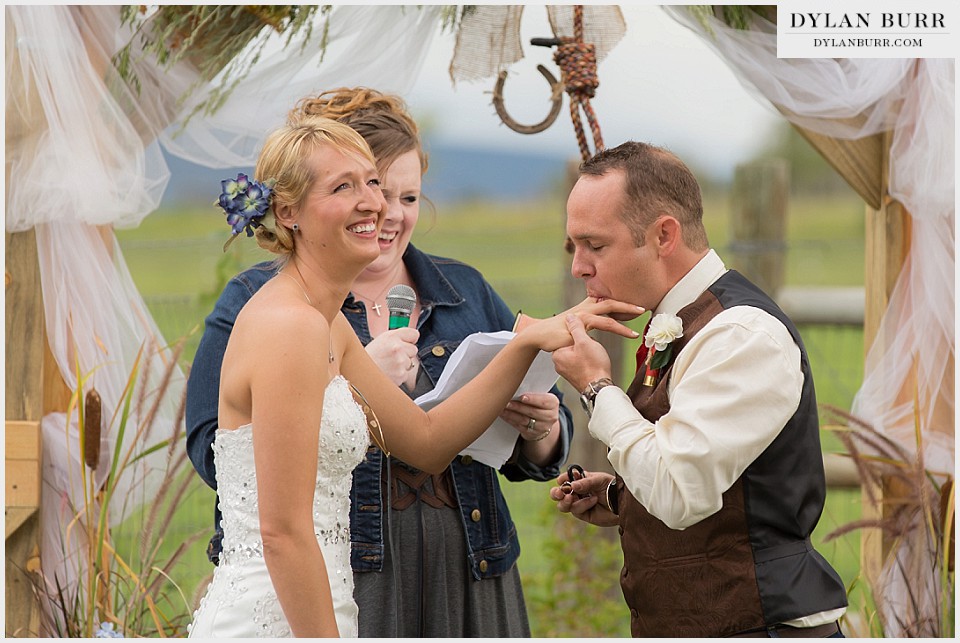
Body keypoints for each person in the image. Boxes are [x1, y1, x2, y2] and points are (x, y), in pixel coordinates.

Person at [185, 117, 640, 637]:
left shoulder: (326, 322)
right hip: (280, 612)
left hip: (330, 602)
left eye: (371, 182)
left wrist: (529, 341)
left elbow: (426, 442)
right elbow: (283, 533)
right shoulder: (289, 325)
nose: (373, 204)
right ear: (288, 213)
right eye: (343, 187)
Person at [548, 141, 848, 638]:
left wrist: (597, 387)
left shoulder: (740, 334)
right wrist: (624, 499)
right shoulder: (677, 321)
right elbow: (706, 478)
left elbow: (680, 491)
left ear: (664, 234)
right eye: (572, 248)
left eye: (595, 246)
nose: (579, 266)